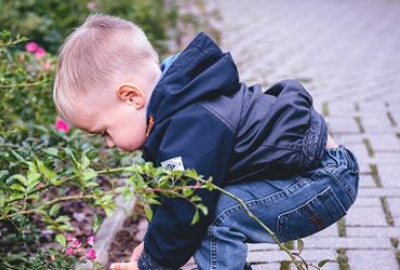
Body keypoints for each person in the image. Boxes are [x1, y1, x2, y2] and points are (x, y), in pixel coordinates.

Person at [53, 14, 360, 270]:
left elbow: (186, 207)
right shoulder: (176, 107)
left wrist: (151, 263)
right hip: (312, 173)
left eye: (104, 131)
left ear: (131, 96)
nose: (108, 144)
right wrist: (151, 248)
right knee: (206, 212)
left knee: (211, 216)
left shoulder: (189, 122)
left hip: (322, 182)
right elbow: (173, 196)